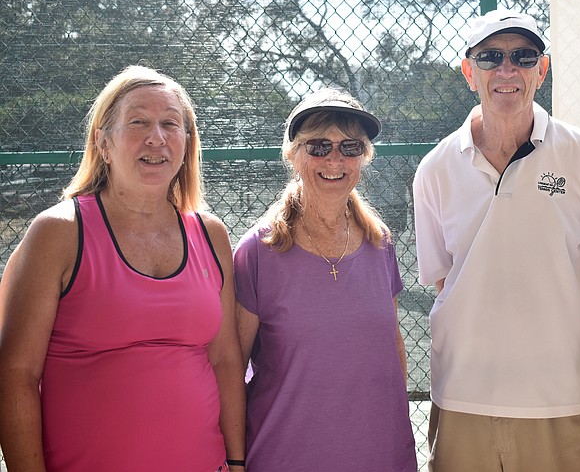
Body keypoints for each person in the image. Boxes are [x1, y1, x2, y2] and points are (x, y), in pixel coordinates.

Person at [0, 65, 246, 471]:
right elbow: (17, 374)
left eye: (171, 124)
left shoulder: (211, 234)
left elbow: (225, 359)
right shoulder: (59, 232)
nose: (157, 137)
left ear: (188, 143)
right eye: (138, 122)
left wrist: (236, 462)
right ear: (103, 142)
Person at [412, 8, 580, 471]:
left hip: (560, 400)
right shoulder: (435, 168)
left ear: (541, 70)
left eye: (523, 57)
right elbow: (446, 283)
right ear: (469, 72)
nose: (507, 70)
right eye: (490, 57)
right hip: (462, 397)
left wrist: (552, 340)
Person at [233, 88, 417, 471]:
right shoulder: (258, 251)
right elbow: (231, 369)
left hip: (378, 454)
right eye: (318, 146)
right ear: (293, 155)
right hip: (285, 457)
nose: (335, 159)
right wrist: (234, 461)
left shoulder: (379, 242)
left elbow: (392, 347)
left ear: (364, 157)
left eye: (351, 147)